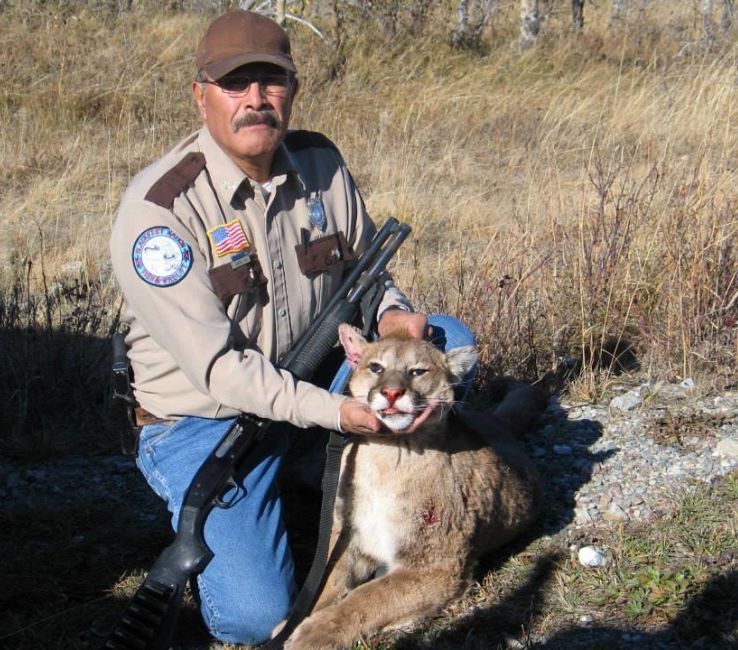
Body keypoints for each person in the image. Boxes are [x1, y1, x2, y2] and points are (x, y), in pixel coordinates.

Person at [109, 9, 476, 645]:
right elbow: (221, 371)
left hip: (307, 385)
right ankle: (284, 491)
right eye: (234, 84)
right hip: (206, 422)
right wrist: (335, 414)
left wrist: (391, 315)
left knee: (451, 342)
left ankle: (318, 480)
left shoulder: (320, 163)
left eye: (271, 81)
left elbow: (367, 274)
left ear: (293, 90)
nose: (256, 100)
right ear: (201, 95)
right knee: (254, 616)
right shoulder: (160, 216)